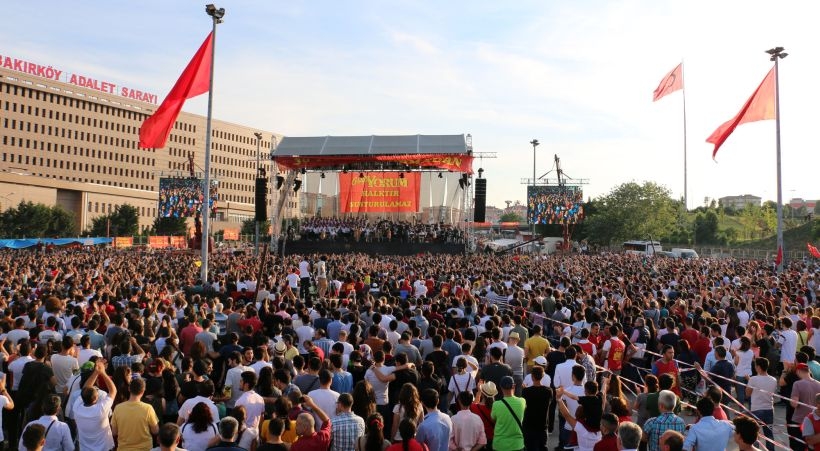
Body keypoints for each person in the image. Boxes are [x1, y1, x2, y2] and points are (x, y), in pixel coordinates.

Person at [72, 359, 117, 451]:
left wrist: (96, 372)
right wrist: (102, 372)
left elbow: (85, 388)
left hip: (85, 448)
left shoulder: (77, 407)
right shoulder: (101, 409)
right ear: (96, 398)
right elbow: (113, 391)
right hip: (105, 448)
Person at [112, 378, 160, 451]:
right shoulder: (148, 408)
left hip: (123, 448)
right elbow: (155, 431)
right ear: (143, 391)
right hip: (145, 449)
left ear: (129, 389)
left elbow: (114, 432)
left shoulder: (118, 408)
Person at [746, 357, 777, 451]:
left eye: (755, 366)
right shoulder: (773, 379)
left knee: (754, 433)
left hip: (756, 409)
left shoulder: (753, 379)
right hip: (769, 409)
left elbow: (748, 394)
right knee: (769, 434)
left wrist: (749, 381)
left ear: (758, 367)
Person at [491, 376, 525, 451]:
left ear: (500, 387)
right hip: (517, 445)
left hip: (500, 444)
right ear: (514, 386)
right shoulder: (522, 401)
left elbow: (493, 420)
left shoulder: (496, 404)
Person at [521, 366, 551, 451]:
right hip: (542, 426)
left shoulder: (526, 391)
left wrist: (525, 389)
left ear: (532, 377)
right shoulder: (548, 391)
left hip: (529, 426)